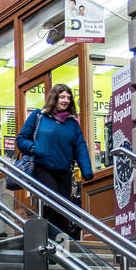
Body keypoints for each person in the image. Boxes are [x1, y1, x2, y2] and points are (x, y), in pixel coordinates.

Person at [15, 83, 93, 238]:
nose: (65, 100)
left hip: (64, 171)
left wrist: (87, 171)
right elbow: (21, 139)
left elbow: (80, 147)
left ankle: (57, 247)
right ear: (54, 98)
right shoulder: (39, 116)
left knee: (63, 209)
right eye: (62, 97)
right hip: (42, 168)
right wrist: (34, 148)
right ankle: (40, 238)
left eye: (68, 98)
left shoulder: (72, 124)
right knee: (52, 199)